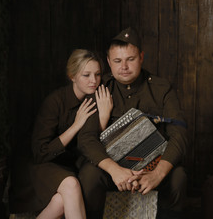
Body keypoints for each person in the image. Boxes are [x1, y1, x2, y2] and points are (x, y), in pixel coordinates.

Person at [77, 27, 189, 219]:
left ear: (141, 57)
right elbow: (86, 139)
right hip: (114, 169)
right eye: (118, 61)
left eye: (131, 59)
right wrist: (115, 170)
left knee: (178, 178)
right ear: (108, 62)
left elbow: (179, 134)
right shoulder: (100, 88)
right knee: (89, 176)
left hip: (152, 166)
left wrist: (158, 173)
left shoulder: (161, 89)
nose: (124, 67)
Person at [32, 49, 113, 219]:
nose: (94, 80)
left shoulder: (99, 98)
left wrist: (103, 119)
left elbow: (90, 146)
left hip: (71, 165)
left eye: (97, 74)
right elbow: (41, 152)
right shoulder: (55, 101)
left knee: (60, 201)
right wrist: (76, 125)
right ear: (72, 76)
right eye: (86, 75)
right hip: (45, 163)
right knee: (71, 184)